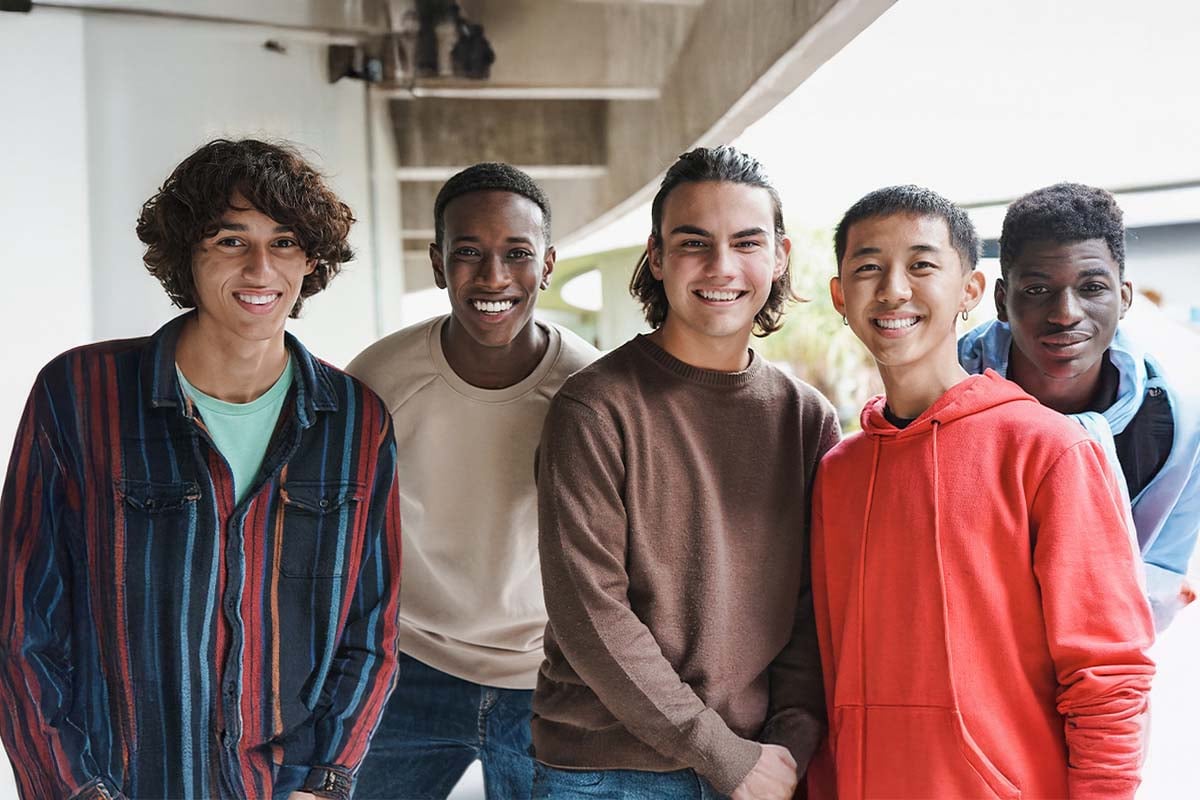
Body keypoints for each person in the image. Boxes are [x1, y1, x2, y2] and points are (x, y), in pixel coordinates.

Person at [0, 139, 402, 800]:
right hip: (120, 783)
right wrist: (73, 788)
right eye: (230, 241)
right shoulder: (79, 394)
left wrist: (327, 783)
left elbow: (372, 630)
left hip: (283, 787)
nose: (261, 269)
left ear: (312, 261)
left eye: (286, 243)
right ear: (187, 252)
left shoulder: (356, 421)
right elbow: (23, 629)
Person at [810, 185, 1154, 799]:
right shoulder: (838, 473)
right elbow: (830, 673)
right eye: (868, 267)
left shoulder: (1049, 451)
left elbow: (1109, 675)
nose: (893, 289)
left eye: (921, 265)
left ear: (971, 291)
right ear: (841, 295)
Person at [532, 146, 839, 800]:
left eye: (746, 242)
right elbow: (591, 615)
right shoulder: (594, 407)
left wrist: (789, 742)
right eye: (694, 242)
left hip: (760, 764)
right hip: (609, 771)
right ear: (658, 256)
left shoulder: (807, 419)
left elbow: (815, 609)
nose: (722, 267)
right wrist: (718, 751)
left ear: (780, 255)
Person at [348, 162, 597, 799]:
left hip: (553, 679)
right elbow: (341, 537)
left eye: (517, 254)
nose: (493, 277)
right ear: (438, 264)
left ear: (546, 265)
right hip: (410, 669)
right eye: (468, 253)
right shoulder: (380, 380)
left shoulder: (592, 389)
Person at [959, 182, 1200, 629]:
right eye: (1036, 290)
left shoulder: (1176, 423)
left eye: (1092, 287)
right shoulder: (950, 389)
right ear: (1001, 301)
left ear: (1124, 297)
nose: (1066, 313)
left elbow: (1155, 582)